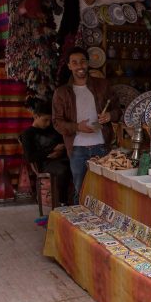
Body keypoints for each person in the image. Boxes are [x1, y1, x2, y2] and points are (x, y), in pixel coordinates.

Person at [52, 47, 120, 203]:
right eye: (74, 63)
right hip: (77, 150)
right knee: (80, 190)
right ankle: (81, 224)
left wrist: (110, 115)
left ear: (88, 63)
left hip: (101, 146)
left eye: (82, 61)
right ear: (69, 66)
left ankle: (101, 225)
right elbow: (57, 122)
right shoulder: (62, 92)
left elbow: (117, 109)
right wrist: (77, 127)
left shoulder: (102, 85)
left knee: (104, 190)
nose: (79, 66)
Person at [20, 98, 72, 205]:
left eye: (50, 120)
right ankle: (62, 202)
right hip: (44, 163)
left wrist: (60, 150)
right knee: (63, 170)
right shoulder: (27, 134)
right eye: (45, 120)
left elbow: (61, 144)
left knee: (78, 165)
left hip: (61, 158)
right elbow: (29, 157)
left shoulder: (53, 129)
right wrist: (51, 151)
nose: (48, 123)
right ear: (36, 116)